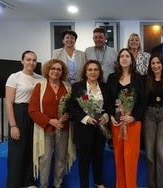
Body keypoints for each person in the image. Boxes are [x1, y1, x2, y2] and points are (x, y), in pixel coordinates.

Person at [28, 59, 76, 188]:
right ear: (48, 70)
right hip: (46, 129)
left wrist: (69, 115)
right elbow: (33, 110)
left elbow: (74, 107)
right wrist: (50, 121)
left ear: (63, 72)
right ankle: (44, 185)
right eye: (53, 68)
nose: (56, 71)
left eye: (59, 69)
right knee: (45, 160)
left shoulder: (68, 87)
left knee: (61, 158)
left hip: (63, 128)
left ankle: (57, 185)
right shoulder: (40, 86)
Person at [106, 48, 145, 188]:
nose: (124, 58)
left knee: (130, 157)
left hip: (132, 123)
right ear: (118, 60)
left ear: (131, 60)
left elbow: (142, 101)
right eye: (121, 56)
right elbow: (108, 100)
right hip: (117, 122)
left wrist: (133, 117)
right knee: (119, 156)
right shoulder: (112, 77)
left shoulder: (139, 78)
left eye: (127, 56)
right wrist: (111, 116)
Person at [69, 60, 109, 188]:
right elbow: (73, 107)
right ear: (85, 72)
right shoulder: (77, 86)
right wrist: (86, 118)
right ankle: (84, 185)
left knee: (98, 157)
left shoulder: (105, 87)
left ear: (99, 72)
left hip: (100, 127)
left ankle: (99, 183)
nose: (93, 72)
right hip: (84, 127)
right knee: (84, 160)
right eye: (90, 70)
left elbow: (109, 106)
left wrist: (106, 116)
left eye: (95, 69)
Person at [5, 50, 42, 188]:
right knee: (17, 152)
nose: (31, 62)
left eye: (34, 60)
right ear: (22, 61)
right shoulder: (14, 77)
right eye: (28, 59)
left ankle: (28, 182)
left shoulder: (40, 78)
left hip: (35, 114)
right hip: (19, 113)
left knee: (32, 150)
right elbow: (8, 102)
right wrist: (13, 125)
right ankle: (13, 184)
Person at [143, 53, 163, 188]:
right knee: (149, 154)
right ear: (150, 65)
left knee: (162, 153)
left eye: (158, 63)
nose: (156, 66)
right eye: (153, 63)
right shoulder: (145, 80)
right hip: (149, 115)